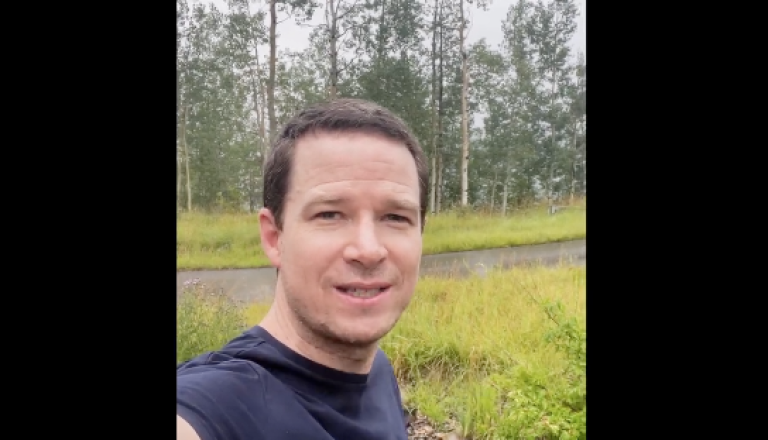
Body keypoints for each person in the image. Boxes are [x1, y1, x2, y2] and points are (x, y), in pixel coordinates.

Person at [177, 98, 429, 440]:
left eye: (395, 217)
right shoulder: (218, 406)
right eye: (330, 214)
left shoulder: (377, 370)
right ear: (274, 237)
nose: (368, 250)